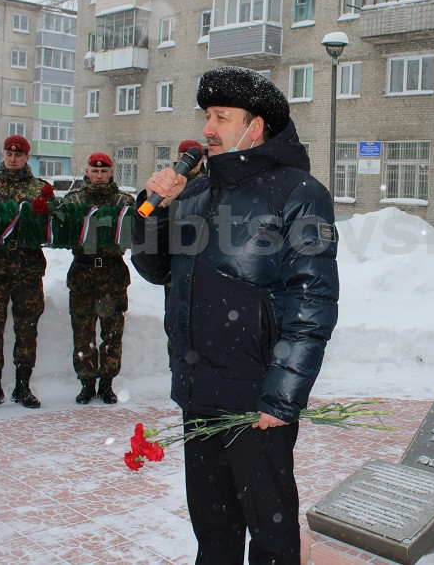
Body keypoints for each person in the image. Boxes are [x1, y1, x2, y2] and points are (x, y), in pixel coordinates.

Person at [131, 66, 339, 564]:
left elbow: (312, 302)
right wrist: (158, 210)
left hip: (256, 400)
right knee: (213, 530)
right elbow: (155, 268)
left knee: (271, 535)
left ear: (255, 126)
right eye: (207, 115)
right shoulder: (197, 193)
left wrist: (281, 397)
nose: (207, 128)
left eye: (221, 117)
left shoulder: (299, 193)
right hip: (199, 391)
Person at [0, 135, 50, 411]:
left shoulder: (40, 189)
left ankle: (22, 386)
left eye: (18, 154)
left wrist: (45, 213)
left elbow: (52, 226)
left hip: (27, 270)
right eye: (8, 153)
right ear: (2, 155)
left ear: (27, 157)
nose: (13, 158)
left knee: (27, 328)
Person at [63, 152, 136, 404]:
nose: (99, 175)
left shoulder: (124, 201)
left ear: (111, 172)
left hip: (112, 276)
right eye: (95, 171)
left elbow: (136, 232)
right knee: (82, 334)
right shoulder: (73, 200)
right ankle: (86, 383)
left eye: (104, 171)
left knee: (112, 334)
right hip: (83, 275)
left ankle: (106, 383)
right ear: (87, 172)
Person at [164, 138, 207, 369]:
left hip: (202, 261)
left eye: (196, 158)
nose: (191, 162)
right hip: (177, 260)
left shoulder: (212, 183)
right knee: (175, 318)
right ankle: (177, 365)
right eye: (184, 156)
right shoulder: (168, 181)